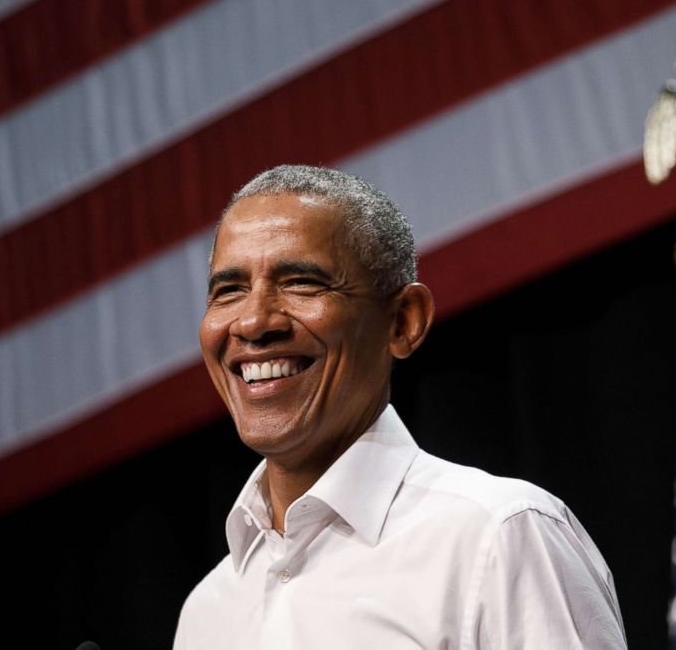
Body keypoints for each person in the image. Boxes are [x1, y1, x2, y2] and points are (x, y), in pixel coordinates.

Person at [174, 165, 627, 649]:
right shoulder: (207, 613)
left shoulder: (496, 537)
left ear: (403, 322)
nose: (254, 321)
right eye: (229, 290)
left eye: (302, 282)